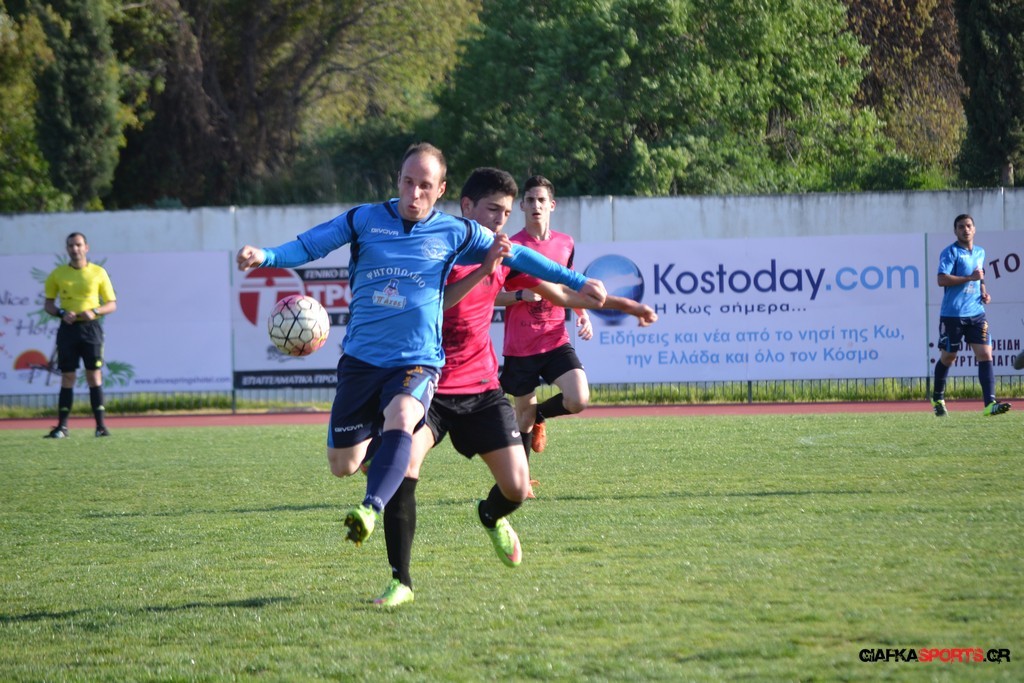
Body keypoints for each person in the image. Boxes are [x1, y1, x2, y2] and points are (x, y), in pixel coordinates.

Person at [235, 144, 607, 549]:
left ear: (440, 189)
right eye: (408, 182)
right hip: (361, 361)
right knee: (343, 464)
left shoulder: (455, 232)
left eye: (425, 186)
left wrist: (576, 280)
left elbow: (518, 255)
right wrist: (266, 255)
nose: (414, 194)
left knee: (406, 417)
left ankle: (376, 513)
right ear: (398, 180)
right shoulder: (364, 219)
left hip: (417, 362)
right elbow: (310, 245)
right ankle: (381, 458)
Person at [372, 167, 657, 607]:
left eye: (506, 214)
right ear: (466, 207)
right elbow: (434, 303)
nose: (501, 222)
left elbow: (563, 292)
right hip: (431, 385)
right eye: (493, 211)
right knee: (406, 465)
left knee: (518, 489)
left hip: (481, 388)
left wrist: (628, 306)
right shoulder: (432, 251)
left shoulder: (505, 254)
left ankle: (490, 516)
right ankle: (401, 582)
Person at [500, 175, 592, 456]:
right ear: (521, 206)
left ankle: (539, 413)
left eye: (541, 200)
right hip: (520, 347)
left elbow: (568, 284)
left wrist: (582, 314)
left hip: (555, 340)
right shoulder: (510, 247)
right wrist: (519, 295)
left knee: (578, 399)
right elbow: (487, 296)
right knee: (523, 419)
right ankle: (522, 477)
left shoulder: (565, 243)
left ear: (552, 205)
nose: (536, 205)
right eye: (530, 200)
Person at [931, 214, 1011, 417]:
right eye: (961, 227)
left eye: (968, 226)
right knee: (949, 357)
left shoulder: (980, 252)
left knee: (985, 355)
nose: (965, 230)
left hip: (976, 313)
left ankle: (990, 404)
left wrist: (983, 292)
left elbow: (980, 276)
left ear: (974, 229)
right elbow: (941, 279)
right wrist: (969, 278)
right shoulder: (950, 252)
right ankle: (938, 398)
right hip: (953, 314)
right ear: (955, 231)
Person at [42, 233, 118, 438]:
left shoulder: (98, 272)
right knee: (68, 376)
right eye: (71, 246)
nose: (75, 249)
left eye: (78, 245)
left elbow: (112, 304)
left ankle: (100, 427)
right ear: (67, 249)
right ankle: (62, 427)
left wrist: (95, 311)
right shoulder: (58, 274)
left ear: (86, 247)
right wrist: (61, 313)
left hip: (91, 329)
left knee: (94, 375)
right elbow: (48, 304)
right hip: (68, 330)